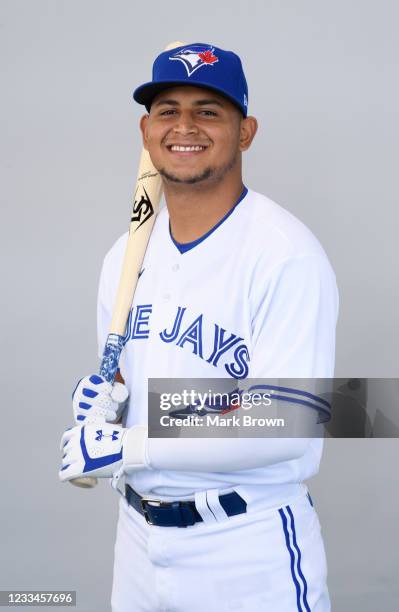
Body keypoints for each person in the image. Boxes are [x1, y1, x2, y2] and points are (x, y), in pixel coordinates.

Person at [60, 43, 339, 611]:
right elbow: (138, 400)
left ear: (246, 131)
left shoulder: (285, 254)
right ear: (146, 130)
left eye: (208, 111)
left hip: (246, 545)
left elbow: (286, 419)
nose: (184, 126)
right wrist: (105, 407)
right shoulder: (124, 258)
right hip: (136, 542)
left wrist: (128, 443)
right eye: (168, 110)